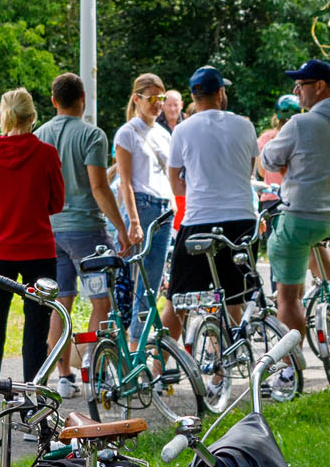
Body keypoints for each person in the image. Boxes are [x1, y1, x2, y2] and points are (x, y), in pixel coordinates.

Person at [0, 88, 64, 439]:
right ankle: (33, 414)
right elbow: (57, 201)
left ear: (3, 115)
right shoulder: (47, 153)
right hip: (38, 249)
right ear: (32, 116)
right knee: (35, 335)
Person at [34, 71, 132, 397]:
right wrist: (122, 227)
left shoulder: (39, 135)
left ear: (53, 101)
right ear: (82, 100)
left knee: (60, 304)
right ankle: (94, 367)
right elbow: (99, 186)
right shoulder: (93, 135)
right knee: (100, 301)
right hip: (88, 234)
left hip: (50, 232)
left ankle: (63, 377)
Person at [259, 59, 330, 342]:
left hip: (301, 216)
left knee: (288, 298)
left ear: (319, 86)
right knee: (319, 241)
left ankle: (290, 370)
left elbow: (268, 158)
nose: (297, 90)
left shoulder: (300, 123)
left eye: (301, 84)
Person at [164, 64, 258, 337]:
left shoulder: (182, 131)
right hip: (242, 221)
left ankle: (158, 371)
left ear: (194, 97)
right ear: (220, 93)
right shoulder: (245, 126)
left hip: (200, 222)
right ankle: (226, 365)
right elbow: (247, 173)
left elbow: (176, 186)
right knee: (234, 298)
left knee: (177, 301)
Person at [114, 72, 174, 329]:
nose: (158, 103)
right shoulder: (127, 133)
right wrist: (134, 222)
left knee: (153, 282)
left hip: (164, 210)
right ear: (137, 99)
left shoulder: (164, 134)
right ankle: (129, 339)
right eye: (152, 98)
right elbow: (125, 180)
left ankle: (139, 342)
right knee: (135, 283)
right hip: (141, 206)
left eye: (161, 97)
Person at [256, 95, 300, 188]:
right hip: (295, 195)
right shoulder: (303, 136)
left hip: (272, 196)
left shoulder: (265, 138)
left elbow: (262, 172)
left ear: (277, 115)